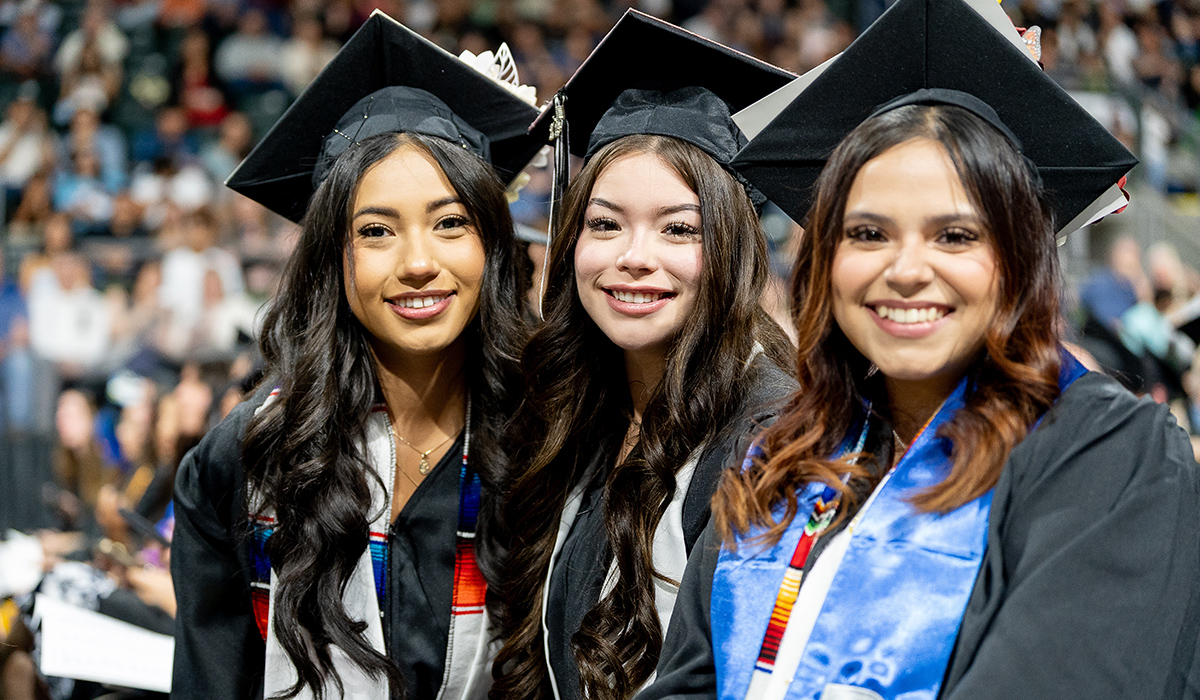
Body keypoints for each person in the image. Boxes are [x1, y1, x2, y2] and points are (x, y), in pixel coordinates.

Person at [639, 0, 1198, 698]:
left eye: (954, 236)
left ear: (1017, 260)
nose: (905, 269)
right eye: (867, 233)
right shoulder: (778, 460)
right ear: (825, 261)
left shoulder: (1108, 455)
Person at [171, 12, 541, 700]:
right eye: (376, 231)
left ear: (491, 245)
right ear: (333, 262)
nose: (419, 262)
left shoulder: (552, 442)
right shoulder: (247, 459)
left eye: (450, 222)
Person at [491, 12, 797, 700]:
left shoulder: (773, 440)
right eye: (605, 223)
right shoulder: (574, 417)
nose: (634, 258)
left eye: (678, 228)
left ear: (731, 246)